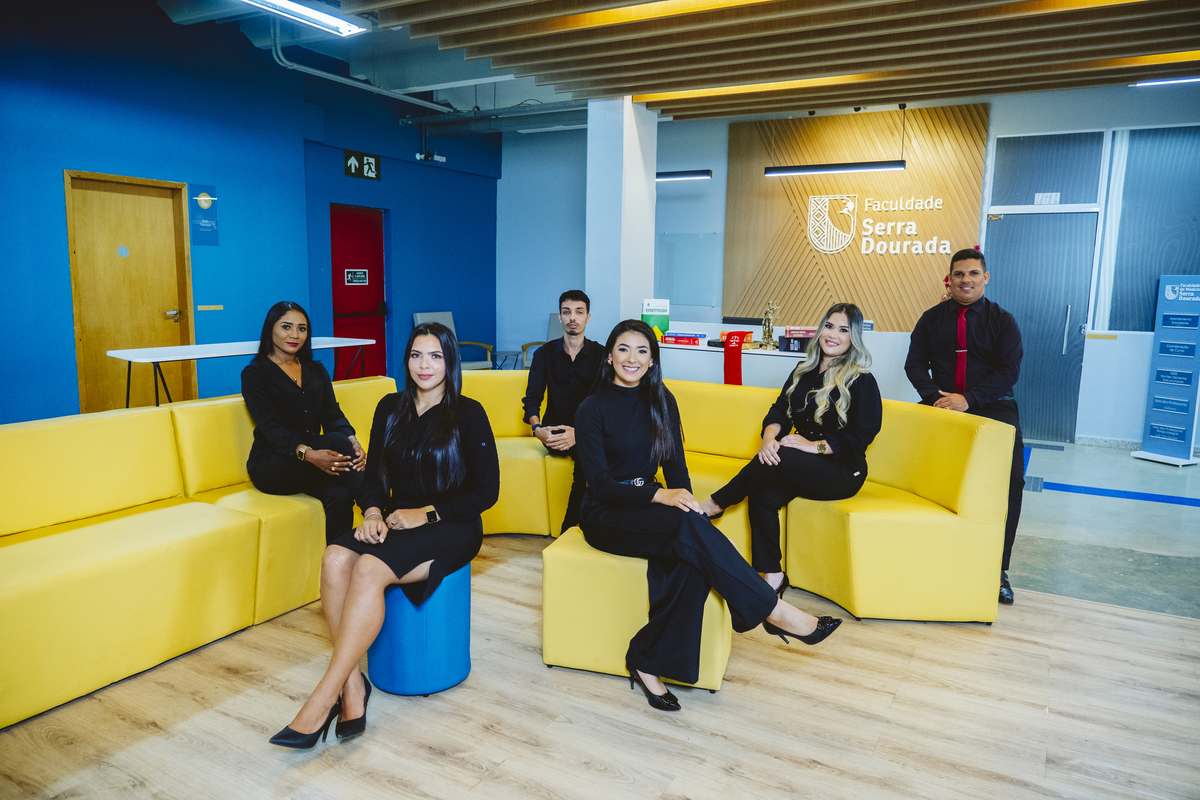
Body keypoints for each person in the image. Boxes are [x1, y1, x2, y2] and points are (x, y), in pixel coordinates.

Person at [575, 319, 842, 713]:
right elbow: (599, 485)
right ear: (610, 356)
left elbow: (676, 468)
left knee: (695, 553)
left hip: (647, 506)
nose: (632, 358)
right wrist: (660, 495)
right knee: (695, 538)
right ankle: (773, 610)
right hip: (605, 513)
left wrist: (692, 512)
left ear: (652, 361)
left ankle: (646, 661)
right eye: (623, 349)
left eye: (642, 351)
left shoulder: (661, 400)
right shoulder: (592, 408)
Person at [269, 322, 500, 748]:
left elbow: (486, 492)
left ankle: (323, 698)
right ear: (406, 359)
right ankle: (353, 685)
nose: (424, 365)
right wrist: (373, 511)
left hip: (452, 525)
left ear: (450, 362)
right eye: (416, 355)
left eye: (435, 356)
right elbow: (372, 476)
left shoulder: (469, 413)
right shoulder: (390, 407)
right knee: (335, 557)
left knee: (369, 567)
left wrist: (425, 514)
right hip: (394, 520)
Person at [699, 303, 882, 596]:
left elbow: (863, 435)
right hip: (805, 466)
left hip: (844, 470)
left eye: (843, 330)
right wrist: (768, 439)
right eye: (829, 326)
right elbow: (779, 411)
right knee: (762, 494)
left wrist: (813, 446)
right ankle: (773, 576)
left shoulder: (861, 379)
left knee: (781, 457)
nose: (833, 334)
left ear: (854, 338)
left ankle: (715, 504)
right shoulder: (802, 370)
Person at [904, 248, 1024, 605]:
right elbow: (914, 365)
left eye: (973, 273)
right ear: (949, 279)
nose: (966, 280)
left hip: (993, 406)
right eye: (959, 274)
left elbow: (1009, 371)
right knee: (919, 472)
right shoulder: (931, 319)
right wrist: (937, 398)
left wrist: (969, 400)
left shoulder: (1002, 321)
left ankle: (997, 569)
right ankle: (928, 553)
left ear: (985, 277)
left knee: (1009, 481)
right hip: (941, 405)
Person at [242, 301, 367, 545]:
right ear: (270, 329)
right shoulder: (255, 374)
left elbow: (331, 414)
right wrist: (309, 454)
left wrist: (353, 442)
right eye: (286, 327)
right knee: (336, 441)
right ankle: (379, 512)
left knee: (340, 495)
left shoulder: (315, 370)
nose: (295, 335)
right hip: (272, 464)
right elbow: (273, 429)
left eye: (302, 328)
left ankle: (339, 560)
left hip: (312, 462)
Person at [522, 290, 605, 533]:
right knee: (591, 454)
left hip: (589, 431)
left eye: (579, 312)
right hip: (555, 431)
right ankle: (577, 529)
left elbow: (607, 401)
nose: (573, 318)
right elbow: (532, 398)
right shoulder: (544, 354)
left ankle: (569, 527)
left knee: (587, 452)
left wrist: (580, 434)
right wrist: (537, 429)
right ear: (560, 317)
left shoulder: (601, 355)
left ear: (588, 317)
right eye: (567, 312)